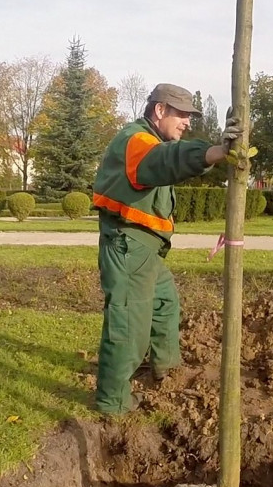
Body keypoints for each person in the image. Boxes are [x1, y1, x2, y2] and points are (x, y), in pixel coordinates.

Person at [91, 83, 241, 415]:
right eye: (182, 115)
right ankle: (112, 404)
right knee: (129, 325)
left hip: (145, 249)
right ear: (160, 111)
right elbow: (166, 161)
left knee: (165, 304)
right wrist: (215, 151)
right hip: (129, 244)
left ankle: (166, 370)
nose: (187, 123)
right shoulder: (139, 141)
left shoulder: (152, 140)